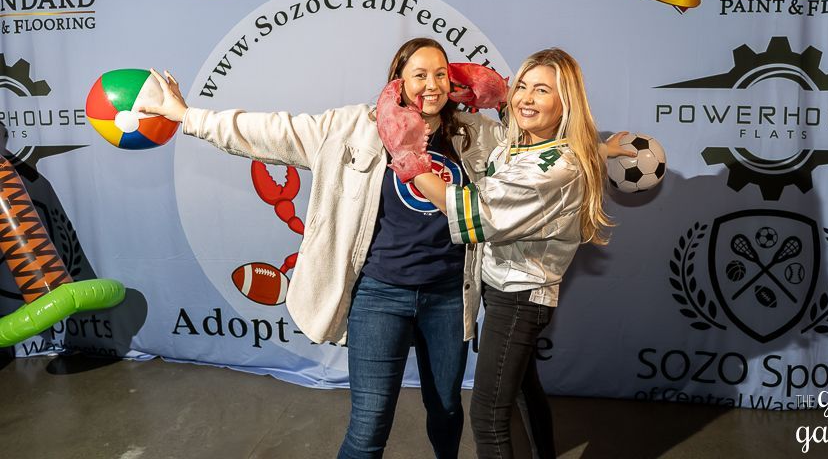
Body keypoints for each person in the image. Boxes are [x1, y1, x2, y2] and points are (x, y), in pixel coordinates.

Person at [140, 37, 508, 458]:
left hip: (448, 296)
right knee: (369, 426)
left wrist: (502, 95)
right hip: (380, 295)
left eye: (441, 74)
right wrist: (187, 116)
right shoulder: (353, 127)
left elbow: (534, 145)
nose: (432, 85)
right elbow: (270, 130)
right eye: (419, 75)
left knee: (445, 412)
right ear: (398, 82)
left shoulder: (475, 135)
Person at [377, 48, 629, 458]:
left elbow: (477, 212)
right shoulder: (531, 144)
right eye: (522, 87)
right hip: (506, 289)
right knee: (526, 390)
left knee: (489, 417)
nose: (525, 98)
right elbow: (561, 150)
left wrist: (408, 159)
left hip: (519, 298)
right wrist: (496, 99)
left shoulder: (550, 168)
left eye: (542, 90)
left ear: (566, 102)